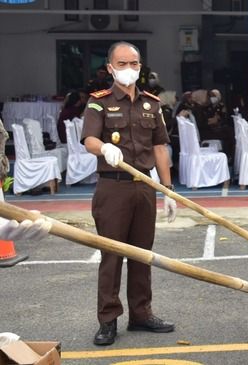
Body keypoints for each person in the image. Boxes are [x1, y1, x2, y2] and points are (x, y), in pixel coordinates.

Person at [82, 41, 177, 346]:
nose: (128, 69)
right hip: (113, 187)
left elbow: (160, 147)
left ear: (140, 67)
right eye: (121, 64)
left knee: (142, 254)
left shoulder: (152, 103)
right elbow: (89, 140)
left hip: (144, 187)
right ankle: (108, 320)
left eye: (133, 64)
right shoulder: (99, 102)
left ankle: (141, 314)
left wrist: (168, 189)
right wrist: (104, 147)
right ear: (110, 68)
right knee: (112, 256)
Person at [195, 89, 236, 164]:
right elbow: (201, 123)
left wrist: (216, 119)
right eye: (208, 96)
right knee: (228, 132)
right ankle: (230, 156)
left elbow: (221, 117)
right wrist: (210, 121)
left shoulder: (211, 106)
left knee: (228, 131)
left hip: (213, 128)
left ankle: (231, 155)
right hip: (206, 132)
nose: (209, 98)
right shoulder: (198, 108)